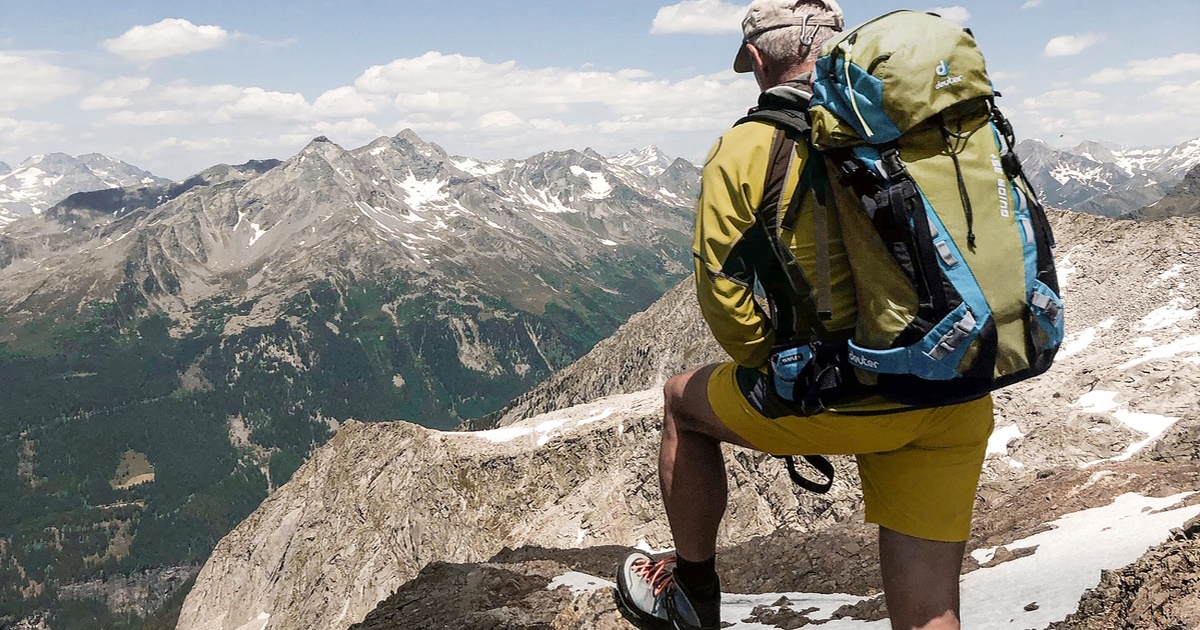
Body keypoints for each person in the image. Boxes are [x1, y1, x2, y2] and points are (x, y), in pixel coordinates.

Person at [614, 1, 995, 629]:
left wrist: (771, 362)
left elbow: (722, 291)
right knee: (930, 610)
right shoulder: (918, 123)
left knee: (681, 402)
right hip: (956, 386)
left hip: (846, 392)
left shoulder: (746, 147)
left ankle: (692, 596)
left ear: (757, 59)